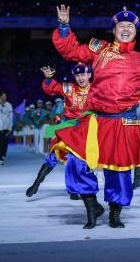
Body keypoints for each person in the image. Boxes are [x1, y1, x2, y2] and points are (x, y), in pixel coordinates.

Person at [49, 4, 140, 229]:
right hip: (96, 121)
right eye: (121, 25)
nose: (125, 29)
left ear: (135, 32)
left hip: (123, 122)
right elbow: (71, 50)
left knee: (119, 170)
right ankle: (91, 205)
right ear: (114, 29)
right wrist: (64, 25)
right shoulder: (99, 49)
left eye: (130, 26)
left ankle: (115, 213)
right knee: (75, 162)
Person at [26, 63, 94, 199]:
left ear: (89, 75)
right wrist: (48, 78)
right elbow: (51, 88)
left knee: (79, 161)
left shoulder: (96, 89)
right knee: (54, 155)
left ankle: (75, 190)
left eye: (83, 75)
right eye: (77, 75)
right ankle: (36, 183)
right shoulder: (69, 88)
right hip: (69, 129)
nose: (80, 78)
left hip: (86, 131)